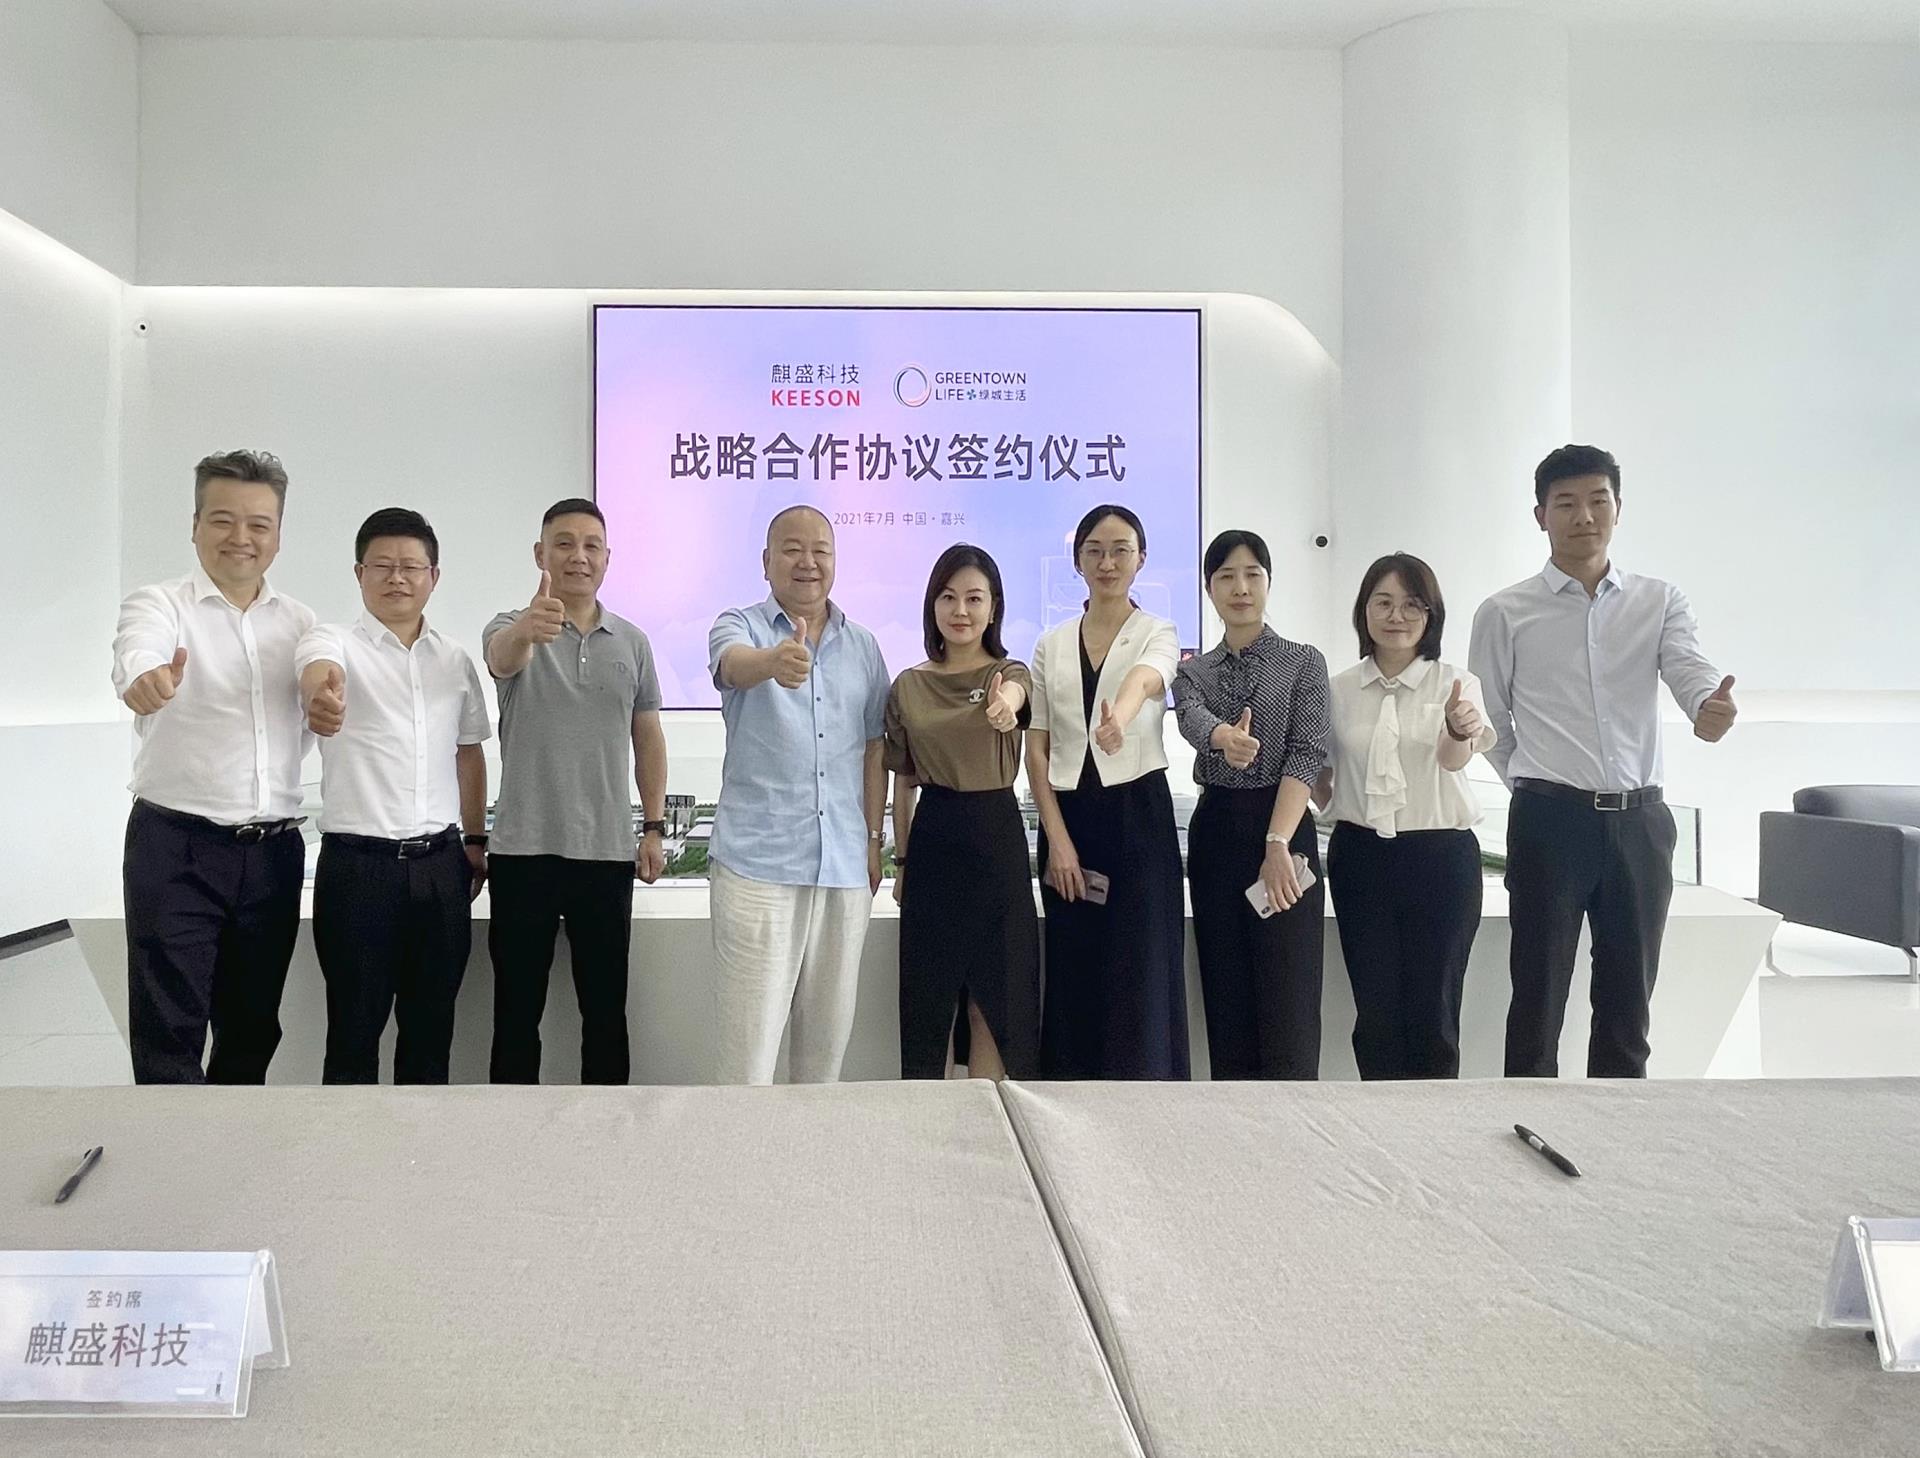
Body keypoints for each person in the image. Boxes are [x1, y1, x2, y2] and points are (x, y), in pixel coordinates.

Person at [1470, 444, 1738, 1078]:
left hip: (1641, 824)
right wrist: (1531, 785)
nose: (1584, 516)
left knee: (1628, 1001)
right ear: (1541, 516)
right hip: (1549, 823)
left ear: (1619, 508)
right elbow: (1490, 723)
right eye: (1565, 503)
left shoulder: (1658, 600)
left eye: (1598, 500)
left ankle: (1621, 1126)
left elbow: (1689, 669)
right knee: (1537, 996)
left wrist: (1707, 705)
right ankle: (1525, 1121)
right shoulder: (1505, 611)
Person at [111, 449, 315, 1084]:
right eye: (223, 520)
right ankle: (171, 1146)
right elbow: (137, 652)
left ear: (278, 533)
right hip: (177, 849)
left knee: (253, 1027)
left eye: (259, 524)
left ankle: (232, 1141)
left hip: (273, 854)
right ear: (195, 524)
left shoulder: (300, 623)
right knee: (169, 1026)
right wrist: (146, 678)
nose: (241, 537)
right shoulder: (159, 605)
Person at [296, 508, 491, 1084]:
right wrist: (320, 696)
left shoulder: (454, 659)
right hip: (359, 870)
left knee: (432, 1031)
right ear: (360, 573)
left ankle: (421, 1140)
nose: (397, 577)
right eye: (382, 565)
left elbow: (468, 753)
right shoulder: (332, 641)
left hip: (441, 866)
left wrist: (475, 840)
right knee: (353, 1033)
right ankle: (349, 1141)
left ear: (434, 576)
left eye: (411, 566)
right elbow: (316, 670)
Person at [482, 498, 668, 1084]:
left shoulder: (632, 642)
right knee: (516, 1013)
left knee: (606, 1013)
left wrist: (654, 828)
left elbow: (648, 737)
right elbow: (500, 658)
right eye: (563, 544)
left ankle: (608, 1134)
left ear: (608, 559)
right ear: (540, 554)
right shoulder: (509, 626)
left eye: (591, 546)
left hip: (606, 852)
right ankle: (512, 1126)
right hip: (522, 851)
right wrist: (528, 629)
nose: (578, 557)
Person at [707, 506, 890, 1085]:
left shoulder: (863, 645)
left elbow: (874, 749)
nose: (807, 562)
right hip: (757, 868)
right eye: (791, 549)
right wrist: (773, 662)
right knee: (748, 1062)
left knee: (823, 1061)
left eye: (820, 550)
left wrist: (873, 841)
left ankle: (811, 1150)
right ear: (766, 562)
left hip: (843, 869)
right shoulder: (739, 624)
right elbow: (731, 666)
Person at [1318, 553, 1494, 1080]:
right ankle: (1379, 1120)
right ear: (1364, 611)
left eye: (1412, 605)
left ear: (1431, 615)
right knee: (1375, 1014)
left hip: (1440, 860)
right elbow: (1319, 770)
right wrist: (1336, 805)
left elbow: (1452, 760)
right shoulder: (1338, 688)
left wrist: (1458, 729)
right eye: (1384, 603)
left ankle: (1433, 1124)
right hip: (1360, 858)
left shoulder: (1456, 683)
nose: (1397, 616)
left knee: (1434, 1012)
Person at [1028, 504, 1186, 1079]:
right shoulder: (1051, 643)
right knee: (1075, 972)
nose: (1108, 562)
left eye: (1121, 550)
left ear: (1141, 558)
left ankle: (1144, 1100)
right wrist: (1059, 843)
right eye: (1094, 550)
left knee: (1141, 973)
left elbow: (1148, 678)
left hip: (1138, 818)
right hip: (1069, 818)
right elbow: (1037, 749)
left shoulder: (1158, 632)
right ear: (1078, 561)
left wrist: (1119, 713)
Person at [1173, 530, 1331, 1080]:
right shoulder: (1192, 671)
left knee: (1290, 999)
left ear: (1268, 582)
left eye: (1252, 575)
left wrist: (1277, 842)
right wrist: (1223, 738)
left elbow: (1306, 754)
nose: (1240, 588)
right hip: (1218, 832)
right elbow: (1192, 718)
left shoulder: (1303, 662)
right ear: (1209, 589)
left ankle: (1294, 1121)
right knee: (1227, 996)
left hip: (1283, 828)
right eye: (1226, 577)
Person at [886, 545, 1040, 1080]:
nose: (961, 610)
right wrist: (901, 864)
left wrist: (1006, 706)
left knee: (994, 998)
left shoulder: (1008, 671)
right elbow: (903, 780)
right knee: (932, 997)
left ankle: (991, 1114)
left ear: (994, 607)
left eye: (974, 598)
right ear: (932, 605)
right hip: (934, 840)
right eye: (948, 597)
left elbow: (1016, 694)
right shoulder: (908, 685)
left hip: (997, 839)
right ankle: (934, 1119)